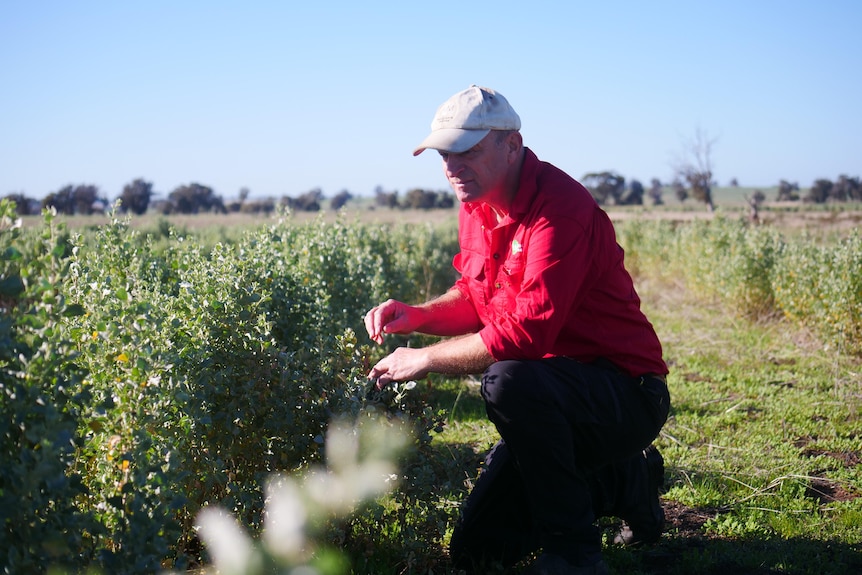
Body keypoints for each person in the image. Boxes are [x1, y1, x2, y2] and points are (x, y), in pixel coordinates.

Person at [364, 85, 670, 575]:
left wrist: (425, 358)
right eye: (445, 154)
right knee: (477, 551)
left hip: (626, 395)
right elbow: (476, 296)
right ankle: (628, 479)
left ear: (512, 144)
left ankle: (575, 554)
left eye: (467, 151)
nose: (452, 167)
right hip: (556, 397)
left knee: (508, 380)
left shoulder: (560, 209)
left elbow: (525, 335)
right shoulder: (478, 205)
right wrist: (418, 316)